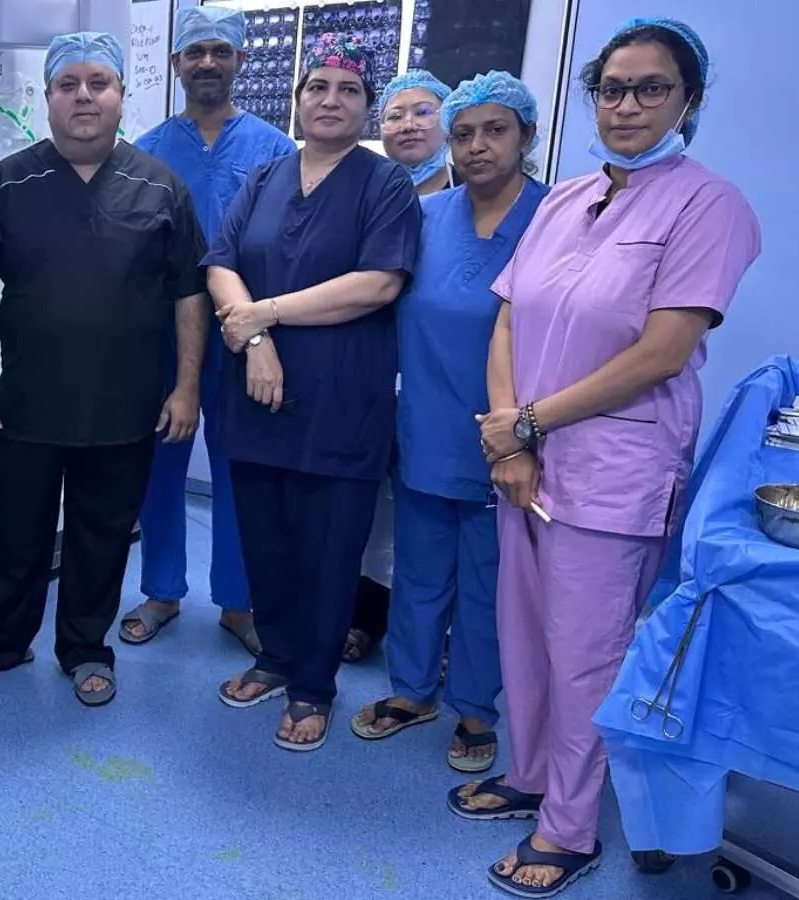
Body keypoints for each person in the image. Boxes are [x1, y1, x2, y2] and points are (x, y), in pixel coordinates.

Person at [448, 19, 761, 896]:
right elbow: (510, 315)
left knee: (586, 652)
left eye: (651, 88)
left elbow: (662, 352)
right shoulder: (566, 199)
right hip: (524, 458)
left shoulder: (709, 206)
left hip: (614, 470)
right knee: (522, 634)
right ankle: (530, 773)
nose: (627, 105)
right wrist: (511, 432)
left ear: (688, 100)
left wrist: (528, 424)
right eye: (612, 88)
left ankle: (570, 827)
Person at [0, 32, 207, 707]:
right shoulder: (9, 182)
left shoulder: (162, 187)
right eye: (68, 84)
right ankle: (0, 641)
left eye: (99, 83)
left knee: (102, 536)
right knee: (16, 534)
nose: (84, 96)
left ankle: (85, 648)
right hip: (28, 403)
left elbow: (189, 293)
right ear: (47, 98)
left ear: (122, 95)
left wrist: (187, 387)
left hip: (125, 404)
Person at [208, 33, 420, 752]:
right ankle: (275, 658)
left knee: (329, 551)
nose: (331, 100)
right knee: (265, 539)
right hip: (257, 397)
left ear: (367, 106)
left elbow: (377, 284)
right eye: (318, 87)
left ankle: (313, 686)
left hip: (341, 404)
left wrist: (263, 314)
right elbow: (221, 263)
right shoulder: (264, 178)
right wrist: (256, 341)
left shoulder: (385, 185)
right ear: (298, 100)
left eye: (349, 89)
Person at [350, 72, 548, 777]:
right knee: (418, 569)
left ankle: (474, 709)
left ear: (526, 135)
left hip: (513, 433)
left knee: (490, 582)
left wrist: (526, 433)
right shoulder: (426, 216)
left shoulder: (556, 219)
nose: (477, 146)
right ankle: (411, 692)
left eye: (495, 130)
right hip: (426, 424)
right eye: (463, 134)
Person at [116, 4, 293, 656]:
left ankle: (239, 602)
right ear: (176, 64)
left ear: (241, 60)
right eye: (196, 52)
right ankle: (161, 591)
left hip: (246, 334)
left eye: (221, 50)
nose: (208, 62)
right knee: (160, 465)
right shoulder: (145, 151)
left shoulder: (275, 151)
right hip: (163, 336)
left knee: (241, 469)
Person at [344, 67, 454, 666]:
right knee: (373, 513)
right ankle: (367, 616)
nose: (408, 124)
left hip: (445, 382)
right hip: (370, 373)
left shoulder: (476, 201)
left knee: (437, 513)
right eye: (394, 115)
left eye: (423, 112)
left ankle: (440, 635)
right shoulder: (365, 195)